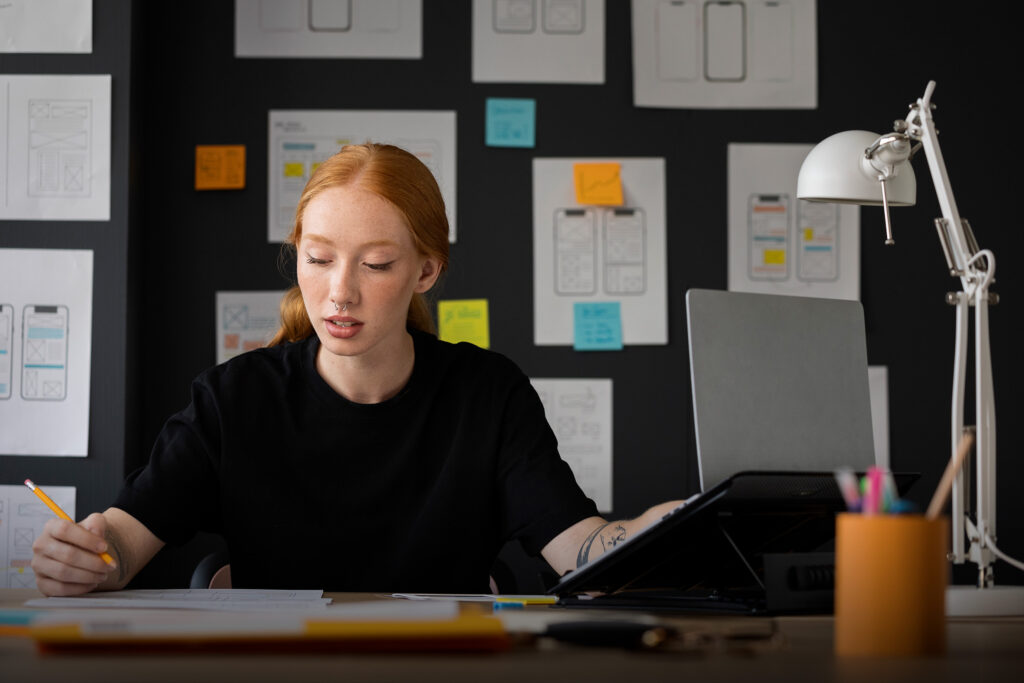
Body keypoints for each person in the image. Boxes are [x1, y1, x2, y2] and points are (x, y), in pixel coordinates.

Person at [31, 143, 682, 596]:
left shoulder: (488, 394)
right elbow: (122, 537)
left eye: (375, 265)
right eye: (318, 258)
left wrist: (653, 531)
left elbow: (582, 549)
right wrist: (90, 558)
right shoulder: (235, 399)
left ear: (426, 271)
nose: (339, 293)